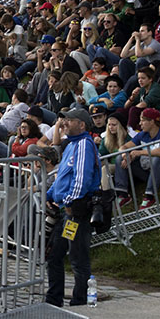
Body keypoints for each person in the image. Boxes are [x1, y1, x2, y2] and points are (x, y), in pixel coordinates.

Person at [45, 108, 101, 307]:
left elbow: (82, 179)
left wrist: (69, 201)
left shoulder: (84, 145)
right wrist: (49, 195)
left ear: (82, 125)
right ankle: (53, 299)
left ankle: (80, 300)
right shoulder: (71, 145)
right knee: (54, 255)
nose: (64, 123)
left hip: (75, 213)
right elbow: (62, 176)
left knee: (78, 258)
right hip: (65, 211)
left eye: (69, 120)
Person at [114, 107, 160, 209]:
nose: (140, 123)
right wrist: (125, 155)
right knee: (119, 159)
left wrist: (139, 153)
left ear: (152, 121)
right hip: (148, 172)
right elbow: (124, 147)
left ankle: (150, 196)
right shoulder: (142, 135)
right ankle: (123, 194)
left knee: (157, 158)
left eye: (142, 120)